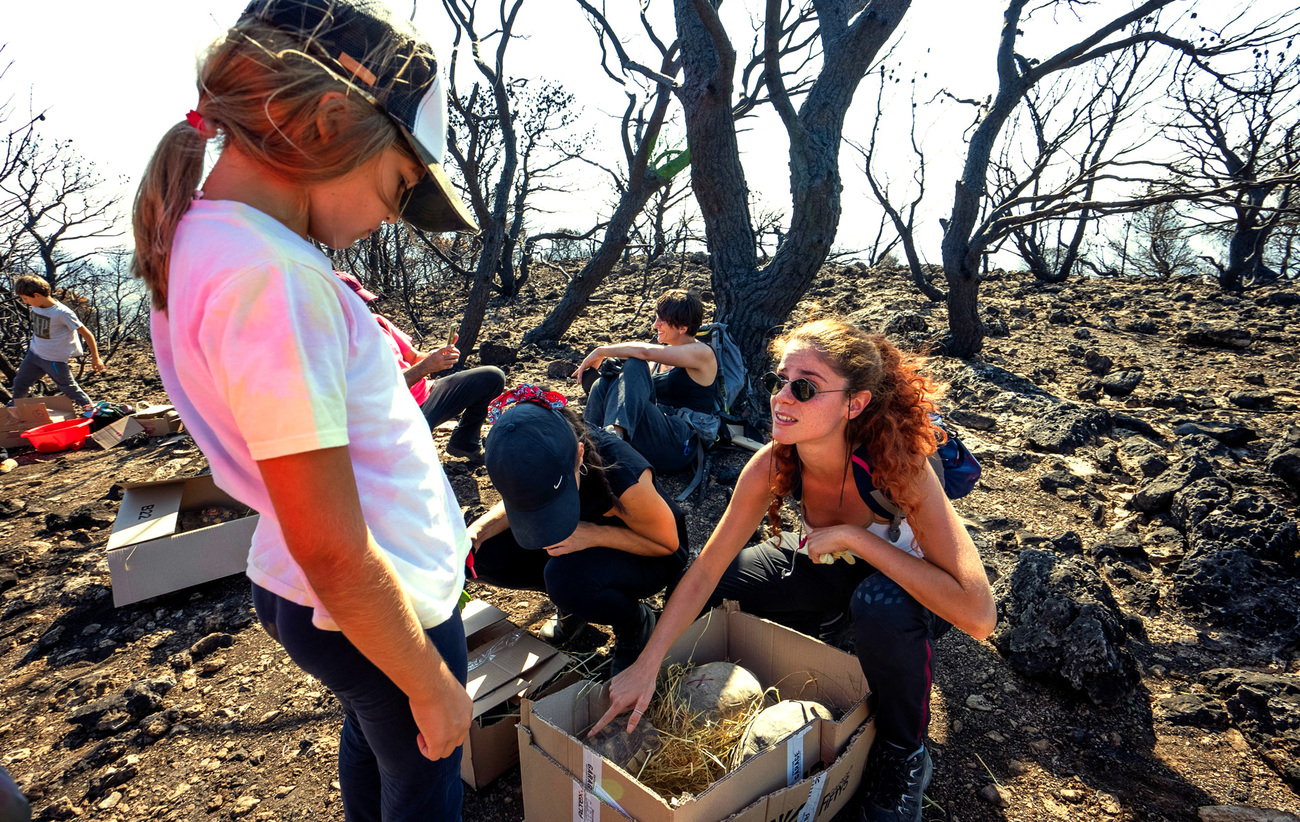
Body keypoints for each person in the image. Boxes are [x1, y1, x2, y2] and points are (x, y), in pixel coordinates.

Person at [132, 1, 479, 819]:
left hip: (318, 589)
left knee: (377, 738)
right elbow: (333, 546)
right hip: (380, 599)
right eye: (400, 183)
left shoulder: (208, 240)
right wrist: (431, 685)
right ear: (323, 123)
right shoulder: (273, 279)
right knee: (424, 776)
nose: (396, 213)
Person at [591, 318, 997, 822]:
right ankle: (820, 628)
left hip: (907, 585)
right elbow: (705, 568)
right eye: (778, 381)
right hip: (822, 565)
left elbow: (979, 615)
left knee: (879, 606)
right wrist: (648, 663)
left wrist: (854, 539)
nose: (781, 398)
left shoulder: (904, 467)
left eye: (804, 388)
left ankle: (905, 751)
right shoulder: (772, 463)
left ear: (856, 402)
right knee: (718, 581)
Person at [467, 386, 689, 674]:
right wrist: (477, 532)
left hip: (648, 550)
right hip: (580, 534)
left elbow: (667, 545)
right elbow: (521, 503)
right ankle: (576, 606)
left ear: (580, 456)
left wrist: (591, 535)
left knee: (564, 580)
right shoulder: (533, 453)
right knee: (483, 553)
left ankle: (633, 622)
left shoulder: (623, 475)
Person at [334, 270, 504, 463]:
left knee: (492, 377)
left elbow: (414, 356)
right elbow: (382, 389)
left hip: (427, 393)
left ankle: (465, 442)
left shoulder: (378, 322)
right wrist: (426, 367)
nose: (363, 307)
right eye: (355, 303)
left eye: (362, 300)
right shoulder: (337, 343)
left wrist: (438, 355)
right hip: (397, 413)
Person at [575, 288, 718, 475]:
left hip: (681, 443)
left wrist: (602, 350)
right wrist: (616, 375)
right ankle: (586, 444)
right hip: (654, 434)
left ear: (682, 328)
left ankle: (613, 442)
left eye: (662, 321)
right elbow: (637, 390)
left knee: (635, 362)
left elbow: (644, 352)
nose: (655, 325)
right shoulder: (659, 359)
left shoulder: (703, 353)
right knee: (605, 383)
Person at [9, 274, 103, 414]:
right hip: (34, 354)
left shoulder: (62, 313)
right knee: (20, 383)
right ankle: (13, 411)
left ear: (37, 295)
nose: (24, 302)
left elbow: (87, 334)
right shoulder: (37, 305)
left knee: (69, 387)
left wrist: (95, 357)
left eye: (26, 299)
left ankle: (93, 412)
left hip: (54, 359)